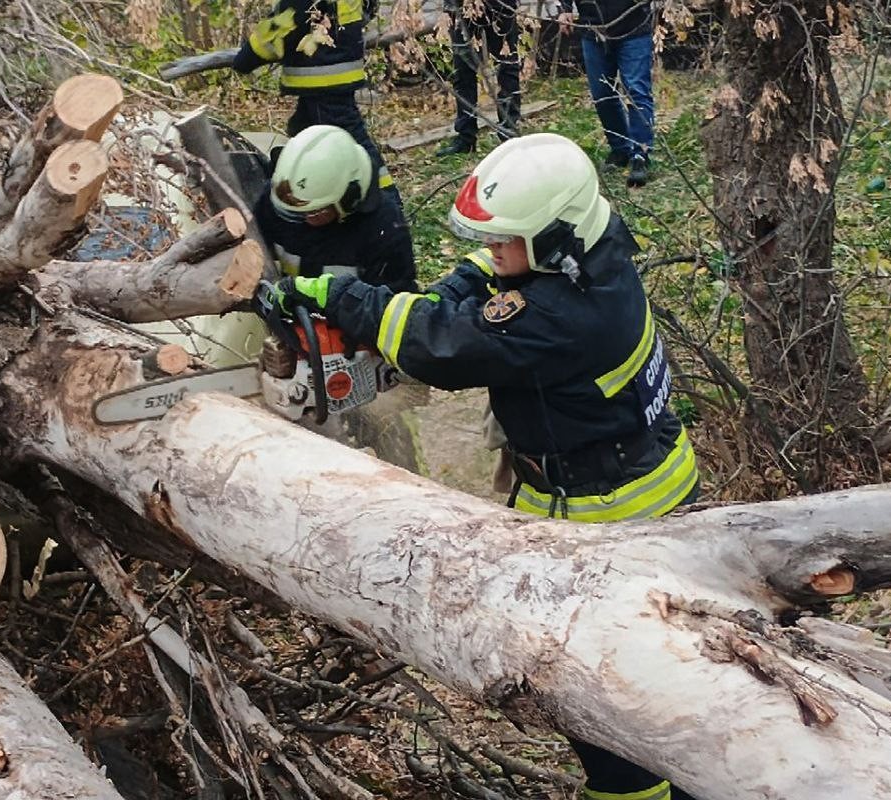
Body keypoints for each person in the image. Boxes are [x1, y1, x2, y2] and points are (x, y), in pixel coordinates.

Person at [273, 133, 699, 799]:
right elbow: (494, 280)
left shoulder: (561, 317)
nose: (494, 252)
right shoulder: (593, 244)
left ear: (552, 238)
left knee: (599, 693)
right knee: (667, 675)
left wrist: (336, 294)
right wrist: (466, 278)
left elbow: (437, 344)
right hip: (640, 474)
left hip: (604, 514)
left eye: (506, 241)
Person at [231, 0, 402, 207]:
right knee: (301, 131)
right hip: (337, 74)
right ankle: (297, 196)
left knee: (352, 145)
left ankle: (387, 205)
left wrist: (244, 60)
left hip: (322, 82)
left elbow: (277, 31)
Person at [257, 125, 416, 293]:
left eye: (315, 212)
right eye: (295, 212)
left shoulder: (384, 229)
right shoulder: (281, 199)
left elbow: (392, 300)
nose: (306, 219)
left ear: (348, 199)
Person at [557, 0, 656, 187]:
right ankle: (620, 148)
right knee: (602, 94)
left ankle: (640, 155)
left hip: (633, 26)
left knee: (637, 92)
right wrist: (565, 9)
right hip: (593, 28)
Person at [436, 0, 522, 156]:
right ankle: (466, 137)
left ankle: (510, 133)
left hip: (500, 6)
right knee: (462, 73)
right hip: (461, 7)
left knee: (507, 68)